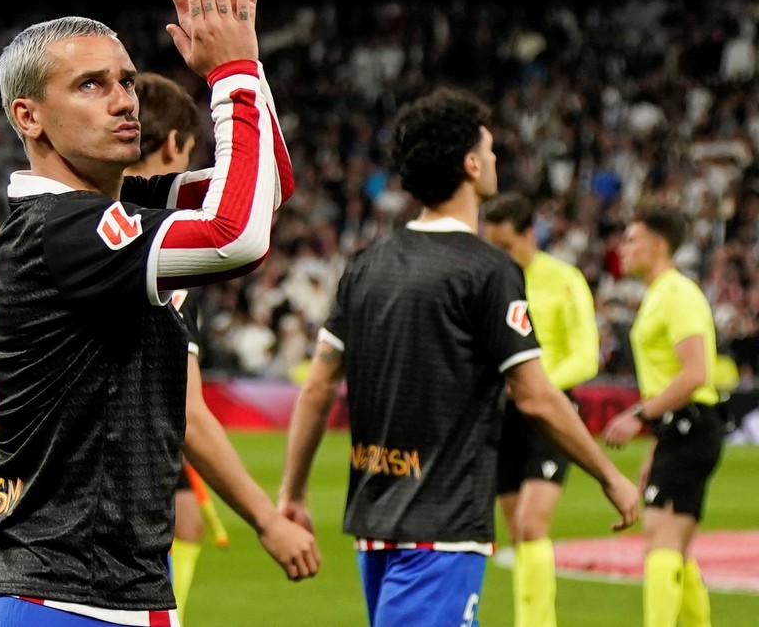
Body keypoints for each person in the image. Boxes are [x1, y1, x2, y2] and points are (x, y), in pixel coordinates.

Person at [0, 1, 320, 627]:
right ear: (29, 116)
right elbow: (235, 238)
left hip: (95, 587)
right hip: (67, 594)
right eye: (91, 85)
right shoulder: (63, 229)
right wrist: (231, 74)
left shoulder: (111, 207)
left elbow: (267, 192)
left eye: (126, 81)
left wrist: (248, 62)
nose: (124, 101)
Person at [277, 88, 638, 626]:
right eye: (489, 150)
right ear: (471, 165)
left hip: (373, 523)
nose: (494, 160)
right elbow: (536, 396)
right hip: (441, 528)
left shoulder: (366, 265)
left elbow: (318, 386)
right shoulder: (489, 271)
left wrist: (293, 491)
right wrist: (608, 475)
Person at [123, 71, 225, 625]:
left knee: (185, 519)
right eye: (188, 154)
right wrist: (267, 517)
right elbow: (191, 413)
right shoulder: (164, 249)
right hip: (126, 473)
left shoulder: (62, 220)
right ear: (172, 145)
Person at [482, 192, 600, 627]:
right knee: (518, 531)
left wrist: (537, 385)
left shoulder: (564, 279)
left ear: (530, 235)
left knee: (532, 524)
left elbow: (586, 355)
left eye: (506, 246)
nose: (499, 254)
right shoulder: (488, 280)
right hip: (502, 414)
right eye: (493, 245)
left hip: (551, 412)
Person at [604, 207, 723, 627]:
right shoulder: (662, 293)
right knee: (676, 548)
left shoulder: (676, 293)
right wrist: (658, 441)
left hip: (691, 423)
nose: (623, 248)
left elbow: (695, 373)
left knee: (661, 541)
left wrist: (637, 415)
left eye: (631, 240)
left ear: (657, 245)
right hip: (681, 428)